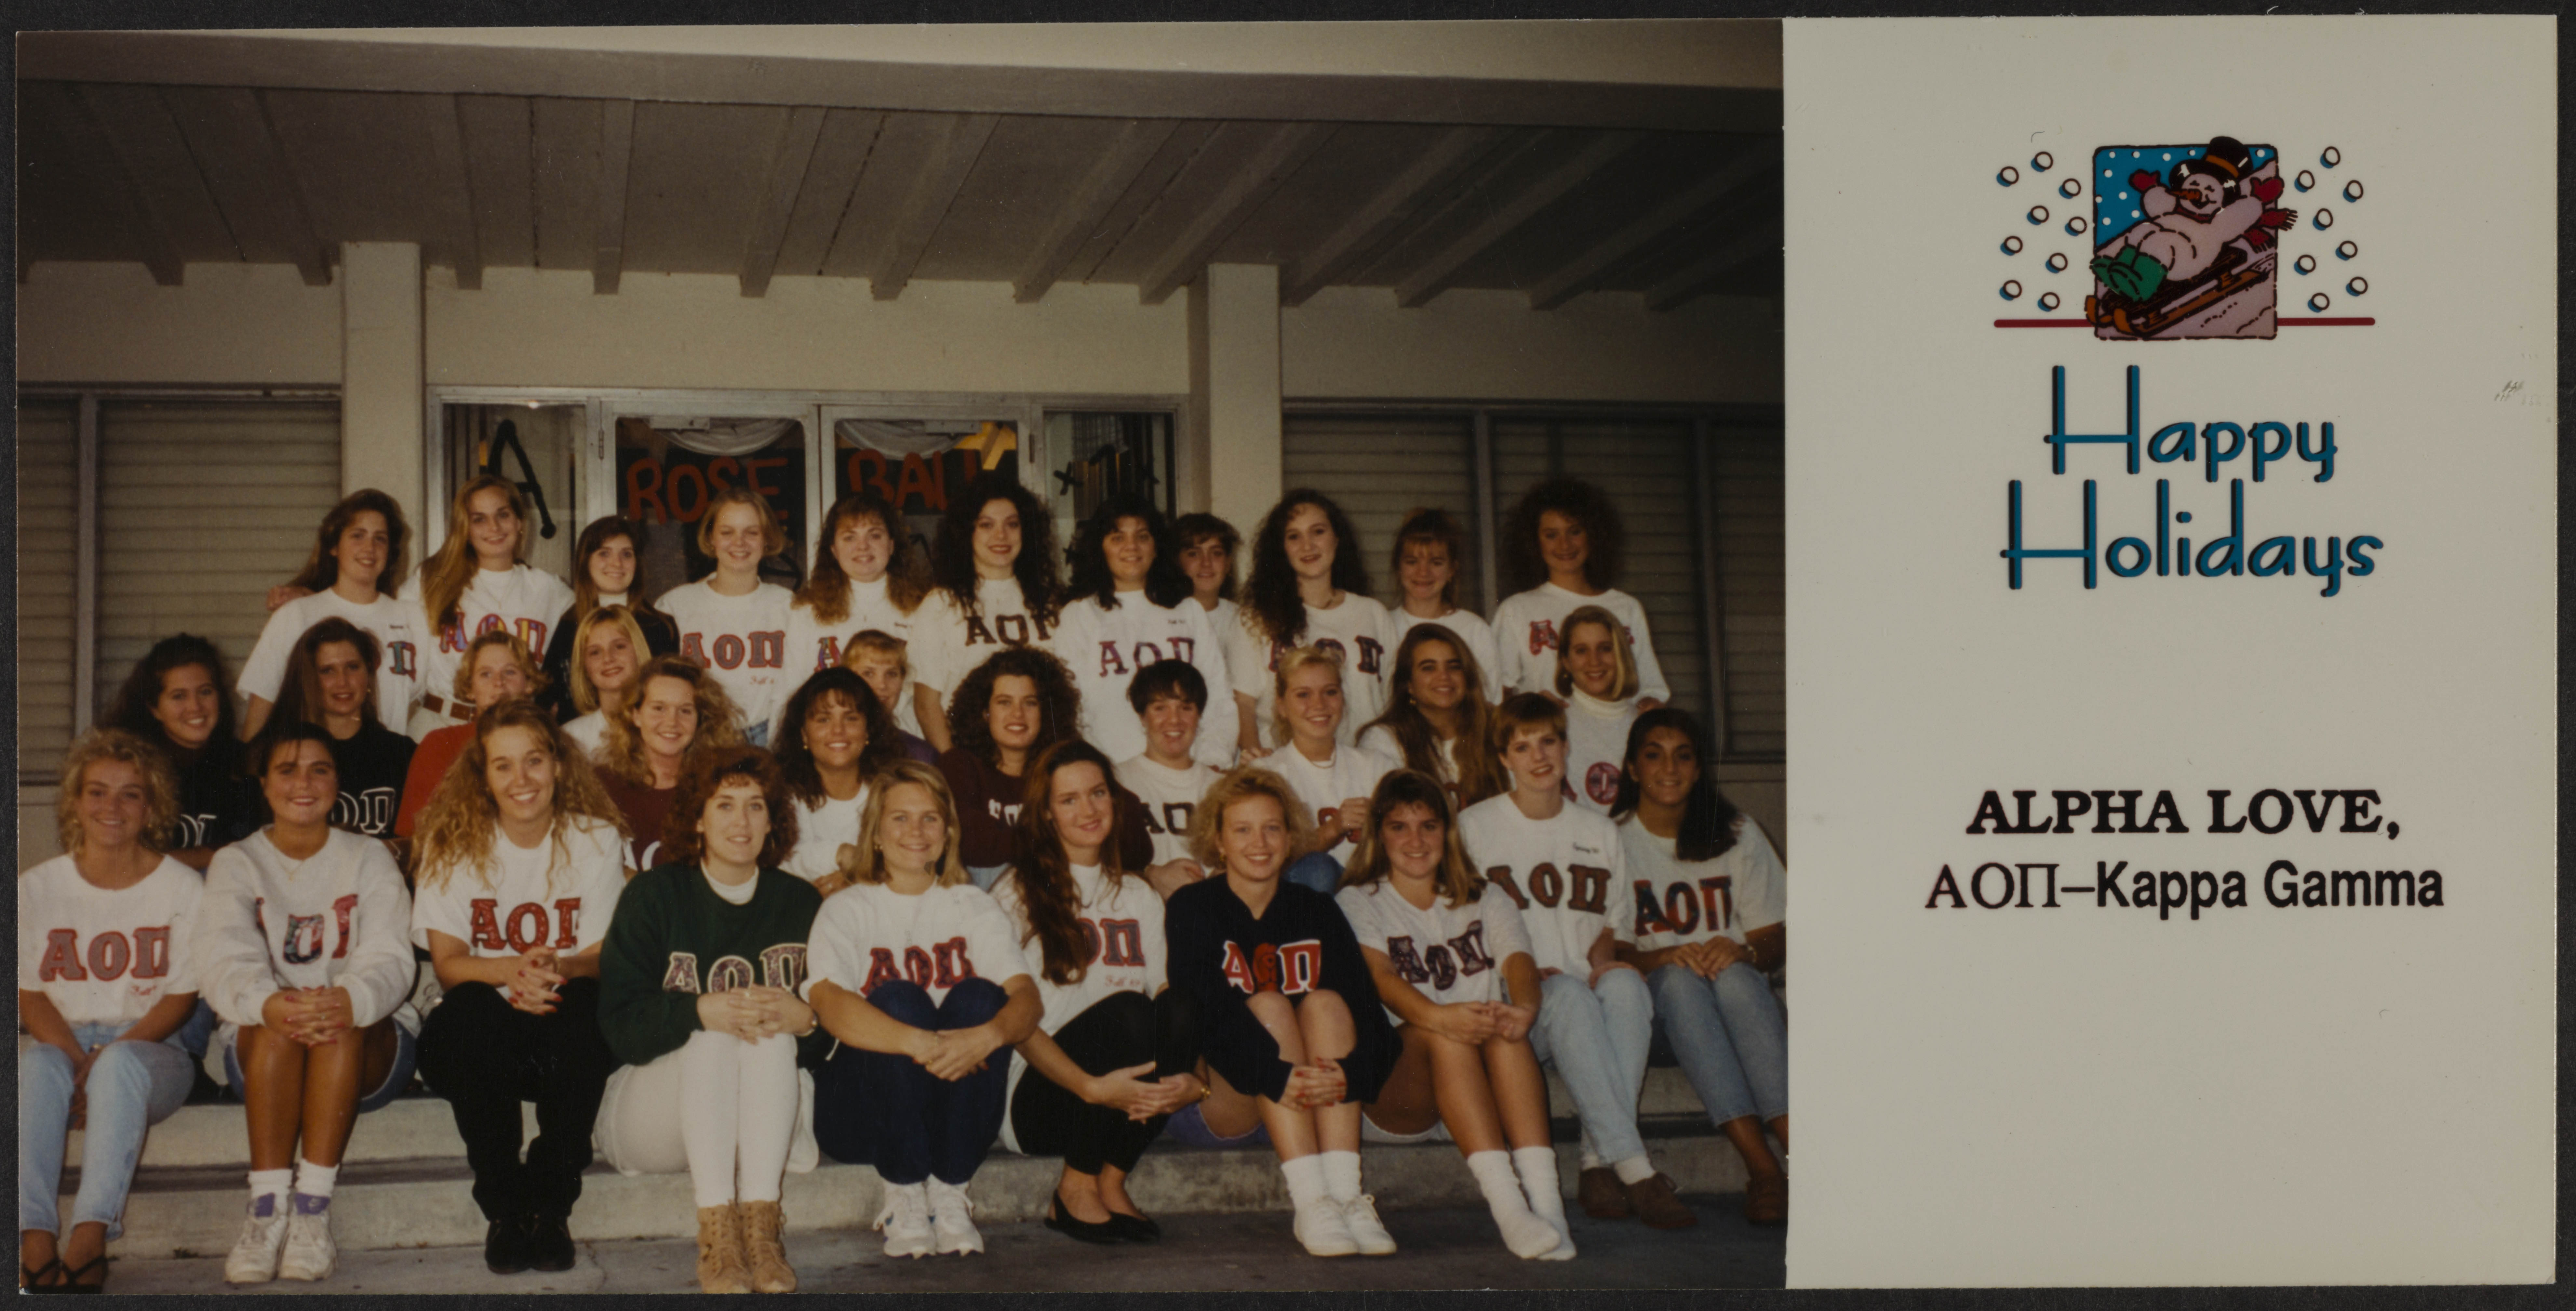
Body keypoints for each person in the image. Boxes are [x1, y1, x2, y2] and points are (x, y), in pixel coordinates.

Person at [408, 700, 631, 1274]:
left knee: (587, 1004)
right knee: (470, 1007)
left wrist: (556, 968)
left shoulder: (596, 838)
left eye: (534, 760)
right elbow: (449, 964)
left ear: (558, 764)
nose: (521, 779)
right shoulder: (453, 841)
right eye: (502, 765)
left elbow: (600, 956)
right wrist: (510, 971)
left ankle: (551, 1205)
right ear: (482, 775)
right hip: (480, 1041)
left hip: (561, 1029)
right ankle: (506, 1207)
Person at [196, 722, 419, 1284]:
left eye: (320, 770)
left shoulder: (369, 857)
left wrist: (350, 998)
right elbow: (223, 958)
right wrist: (270, 1003)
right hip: (267, 1049)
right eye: (287, 770)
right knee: (277, 1028)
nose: (304, 783)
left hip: (366, 1046)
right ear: (264, 783)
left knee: (339, 1025)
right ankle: (267, 1210)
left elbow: (392, 957)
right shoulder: (236, 862)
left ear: (337, 782)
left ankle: (313, 1212)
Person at [596, 748, 825, 1293]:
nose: (741, 821)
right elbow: (620, 1029)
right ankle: (719, 1236)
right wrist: (699, 1010)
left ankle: (762, 1234)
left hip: (759, 1122)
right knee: (714, 1033)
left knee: (771, 1034)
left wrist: (806, 1021)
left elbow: (827, 1046)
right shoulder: (654, 894)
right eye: (724, 805)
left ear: (772, 821)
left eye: (755, 806)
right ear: (697, 818)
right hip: (654, 1116)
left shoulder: (800, 902)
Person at [1457, 695, 1689, 1230]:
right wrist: (1518, 973)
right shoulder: (1474, 826)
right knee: (1567, 994)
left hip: (1585, 994)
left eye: (1548, 742)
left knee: (1627, 986)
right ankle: (1636, 1169)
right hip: (1517, 1008)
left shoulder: (1599, 829)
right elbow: (1461, 925)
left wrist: (1606, 959)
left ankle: (1596, 1163)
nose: (1538, 757)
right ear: (1504, 758)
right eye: (1522, 747)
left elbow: (1614, 921)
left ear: (1566, 747)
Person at [803, 761, 1041, 1259]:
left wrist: (988, 1035)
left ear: (948, 831)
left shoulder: (972, 904)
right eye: (900, 818)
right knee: (899, 999)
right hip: (862, 1113)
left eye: (930, 818)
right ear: (876, 833)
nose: (917, 831)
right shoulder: (847, 908)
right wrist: (919, 1043)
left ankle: (950, 1190)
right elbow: (829, 1004)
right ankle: (905, 1190)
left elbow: (1026, 1002)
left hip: (949, 1104)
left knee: (982, 998)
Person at [1164, 768, 1404, 1258]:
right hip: (1224, 1097)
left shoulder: (1317, 909)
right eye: (1243, 830)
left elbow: (1369, 1014)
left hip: (1302, 1094)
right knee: (1269, 1004)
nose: (1260, 843)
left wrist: (1349, 1074)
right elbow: (1207, 1015)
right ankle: (1312, 1201)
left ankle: (1346, 1196)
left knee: (1327, 1003)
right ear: (1218, 841)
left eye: (1272, 828)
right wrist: (1273, 1075)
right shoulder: (1193, 906)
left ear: (1291, 836)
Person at [1336, 770, 1572, 1260]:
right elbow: (1380, 976)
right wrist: (1439, 1018)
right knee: (1443, 1032)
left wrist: (1524, 1009)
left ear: (1447, 831)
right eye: (1399, 827)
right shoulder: (1358, 900)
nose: (1416, 841)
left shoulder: (1485, 895)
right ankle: (1510, 1209)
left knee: (1506, 1031)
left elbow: (1519, 962)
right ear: (1379, 834)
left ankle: (1550, 1212)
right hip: (1401, 1090)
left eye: (1429, 826)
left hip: (1477, 1092)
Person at [989, 742, 1203, 1244]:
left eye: (1098, 793)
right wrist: (1088, 1087)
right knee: (1129, 1012)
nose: (1088, 810)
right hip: (1042, 1099)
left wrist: (1199, 1081)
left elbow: (1170, 1003)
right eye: (1069, 800)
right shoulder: (1016, 892)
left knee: (1181, 1004)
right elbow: (1014, 1024)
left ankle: (1111, 1178)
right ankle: (1074, 1185)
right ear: (1046, 813)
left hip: (1119, 1103)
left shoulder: (1139, 895)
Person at [18, 731, 203, 1292]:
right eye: (97, 792)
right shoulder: (37, 887)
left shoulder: (182, 887)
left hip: (151, 1050)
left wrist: (105, 1061)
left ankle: (90, 1238)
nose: (112, 807)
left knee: (119, 1066)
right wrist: (81, 1064)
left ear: (151, 806)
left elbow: (180, 997)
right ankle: (34, 1239)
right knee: (35, 1066)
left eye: (131, 794)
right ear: (76, 801)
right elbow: (30, 993)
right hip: (65, 1042)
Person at [1611, 708, 1788, 1225]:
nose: (1670, 769)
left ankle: (1796, 1153)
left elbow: (1774, 938)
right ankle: (1763, 1169)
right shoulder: (1612, 841)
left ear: (1698, 767)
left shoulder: (1738, 831)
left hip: (1743, 1005)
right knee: (1680, 982)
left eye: (1683, 756)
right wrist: (1664, 956)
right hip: (1661, 1020)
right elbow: (1608, 953)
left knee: (1735, 977)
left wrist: (1743, 952)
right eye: (1654, 755)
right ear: (1633, 768)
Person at [936, 646, 1152, 889]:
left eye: (1030, 703)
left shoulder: (1066, 766)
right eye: (1004, 703)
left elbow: (1135, 842)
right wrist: (1070, 838)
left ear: (1046, 711)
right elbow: (970, 845)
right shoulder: (960, 765)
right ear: (986, 713)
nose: (1018, 714)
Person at [1049, 493, 1238, 770]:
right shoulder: (1079, 615)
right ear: (1100, 549)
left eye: (1142, 536)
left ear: (1156, 547)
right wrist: (1098, 771)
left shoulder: (1188, 610)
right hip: (1111, 771)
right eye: (1118, 538)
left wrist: (1211, 762)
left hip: (1188, 769)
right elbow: (1071, 708)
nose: (1132, 547)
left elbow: (1218, 698)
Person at [1222, 492, 1396, 755]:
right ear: (1281, 548)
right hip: (1284, 768)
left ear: (1337, 538)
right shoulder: (1256, 619)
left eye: (1318, 532)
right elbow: (1243, 703)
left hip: (1367, 765)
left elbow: (1394, 701)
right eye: (1294, 536)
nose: (1308, 546)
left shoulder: (1373, 614)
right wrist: (1258, 762)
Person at [239, 489, 422, 739]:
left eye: (380, 539)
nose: (369, 548)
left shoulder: (410, 617)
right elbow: (261, 706)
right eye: (358, 536)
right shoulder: (296, 615)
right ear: (334, 546)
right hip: (313, 759)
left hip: (386, 759)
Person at [408, 475, 575, 738]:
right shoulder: (431, 580)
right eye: (479, 519)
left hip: (515, 729)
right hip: (441, 725)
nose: (494, 527)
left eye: (503, 515)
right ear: (465, 529)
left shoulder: (550, 590)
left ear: (519, 522)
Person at [910, 473, 1062, 751]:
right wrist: (957, 764)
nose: (1001, 536)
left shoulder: (1051, 603)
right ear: (967, 533)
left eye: (1012, 524)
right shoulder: (940, 605)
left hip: (1040, 756)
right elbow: (926, 704)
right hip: (970, 754)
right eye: (986, 525)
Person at [1489, 477, 1668, 708]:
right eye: (1551, 535)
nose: (1565, 545)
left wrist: (1649, 705)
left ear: (1594, 535)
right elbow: (1495, 694)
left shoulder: (1627, 607)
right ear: (1534, 542)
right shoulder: (1516, 609)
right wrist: (1533, 705)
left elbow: (1650, 689)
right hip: (1548, 732)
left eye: (1575, 532)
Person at [656, 486, 797, 745]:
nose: (739, 543)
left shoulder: (789, 605)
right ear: (711, 538)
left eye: (751, 532)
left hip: (770, 739)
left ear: (766, 539)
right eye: (727, 532)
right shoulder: (676, 605)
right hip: (698, 738)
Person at [104, 635, 259, 870]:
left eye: (205, 692)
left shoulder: (244, 763)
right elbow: (120, 858)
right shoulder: (129, 766)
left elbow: (254, 849)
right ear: (155, 709)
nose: (195, 707)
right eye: (179, 696)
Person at [782, 492, 929, 738]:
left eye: (875, 535)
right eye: (850, 537)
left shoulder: (923, 609)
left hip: (903, 740)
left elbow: (928, 696)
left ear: (892, 545)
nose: (863, 546)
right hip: (832, 742)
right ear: (833, 549)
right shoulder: (807, 612)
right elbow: (790, 694)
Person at [264, 618, 416, 841]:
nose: (343, 682)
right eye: (327, 671)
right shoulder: (278, 754)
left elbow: (417, 843)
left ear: (369, 673)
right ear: (308, 679)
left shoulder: (403, 753)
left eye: (353, 668)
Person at [1260, 647, 1396, 896]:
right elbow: (1263, 857)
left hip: (1375, 902)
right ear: (1282, 706)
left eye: (1330, 692)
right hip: (1306, 907)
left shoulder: (1378, 767)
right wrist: (1334, 828)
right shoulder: (1266, 774)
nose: (1319, 705)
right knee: (1318, 871)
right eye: (1304, 695)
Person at [596, 656, 748, 874]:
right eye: (659, 708)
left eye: (685, 711)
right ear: (636, 715)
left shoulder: (719, 787)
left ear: (700, 720)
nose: (672, 722)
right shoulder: (602, 786)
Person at [394, 631, 546, 840]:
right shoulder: (441, 744)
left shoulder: (550, 742)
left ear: (529, 683)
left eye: (510, 672)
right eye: (486, 674)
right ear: (470, 689)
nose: (499, 683)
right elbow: (417, 834)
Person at [1356, 623, 1512, 811]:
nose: (1444, 676)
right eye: (1429, 668)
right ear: (1409, 684)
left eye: (1454, 667)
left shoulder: (1496, 728)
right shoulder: (1384, 740)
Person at [538, 517, 680, 722]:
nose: (617, 563)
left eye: (627, 554)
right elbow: (547, 701)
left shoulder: (661, 627)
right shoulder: (569, 626)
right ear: (585, 562)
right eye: (604, 553)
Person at [772, 667, 900, 884]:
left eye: (851, 718)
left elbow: (916, 860)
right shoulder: (781, 792)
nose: (838, 730)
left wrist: (855, 879)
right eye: (824, 720)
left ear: (868, 731)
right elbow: (776, 858)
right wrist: (841, 854)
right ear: (804, 735)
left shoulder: (893, 791)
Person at [1112, 660, 1224, 898]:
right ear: (1142, 717)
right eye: (1160, 708)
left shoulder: (1223, 787)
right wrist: (1151, 874)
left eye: (1186, 708)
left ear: (1199, 715)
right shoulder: (1115, 781)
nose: (1174, 720)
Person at [1387, 509, 1505, 704]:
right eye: (1412, 562)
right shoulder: (1384, 625)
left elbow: (1491, 702)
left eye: (1436, 563)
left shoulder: (1474, 629)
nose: (1423, 572)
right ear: (1398, 568)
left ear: (1452, 570)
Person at [1555, 605, 1644, 816]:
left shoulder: (1645, 723)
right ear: (1566, 662)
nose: (1594, 661)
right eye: (1581, 651)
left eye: (1605, 649)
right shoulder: (1554, 722)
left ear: (1621, 654)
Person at [559, 605, 651, 756]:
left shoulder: (662, 725)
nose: (608, 658)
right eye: (595, 653)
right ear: (584, 668)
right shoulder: (571, 738)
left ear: (638, 652)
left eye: (619, 647)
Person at [840, 630, 940, 763]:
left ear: (903, 679)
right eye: (869, 674)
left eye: (891, 674)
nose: (882, 685)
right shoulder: (834, 739)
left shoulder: (918, 749)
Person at [1171, 512, 1242, 634]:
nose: (1207, 563)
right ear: (1177, 562)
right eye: (1194, 554)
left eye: (1217, 553)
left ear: (1228, 564)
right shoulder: (1164, 618)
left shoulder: (1243, 621)